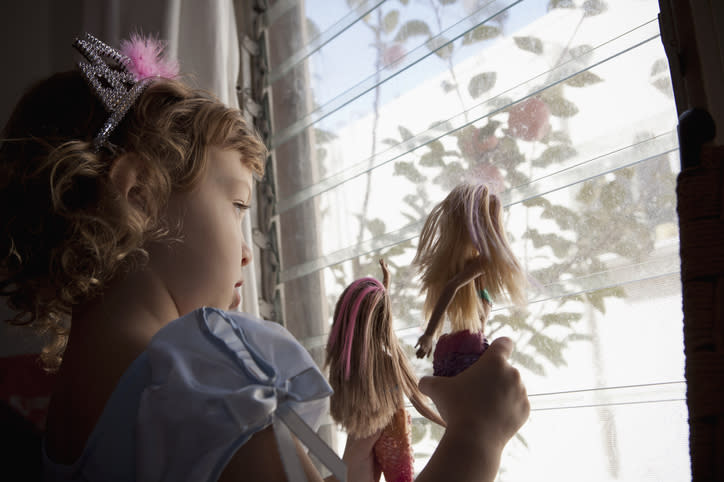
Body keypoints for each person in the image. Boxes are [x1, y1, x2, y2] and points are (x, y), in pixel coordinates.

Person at [0, 32, 529, 481]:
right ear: (138, 195)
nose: (248, 252)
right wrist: (477, 437)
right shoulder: (194, 381)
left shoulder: (73, 412)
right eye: (235, 204)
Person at [325, 259, 445, 482]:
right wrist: (450, 425)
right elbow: (418, 402)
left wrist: (385, 285)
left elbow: (372, 322)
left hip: (354, 462)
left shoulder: (348, 365)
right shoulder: (385, 363)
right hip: (378, 452)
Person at [414, 183, 527, 377]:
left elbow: (451, 287)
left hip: (451, 350)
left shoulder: (476, 263)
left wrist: (431, 335)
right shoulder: (480, 263)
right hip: (470, 348)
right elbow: (452, 287)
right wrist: (428, 334)